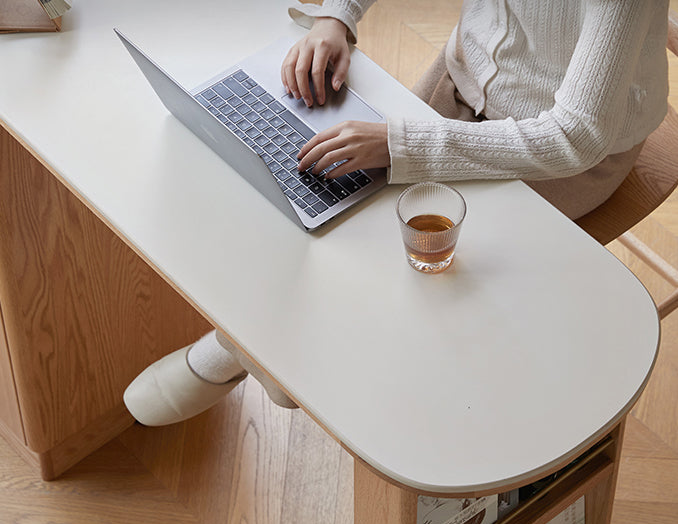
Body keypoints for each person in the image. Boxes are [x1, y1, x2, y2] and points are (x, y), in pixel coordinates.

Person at [124, 0, 670, 426]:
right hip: (459, 81)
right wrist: (336, 19)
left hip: (563, 151)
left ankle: (233, 352)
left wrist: (402, 146)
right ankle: (268, 351)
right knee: (324, 204)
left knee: (409, 269)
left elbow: (576, 137)